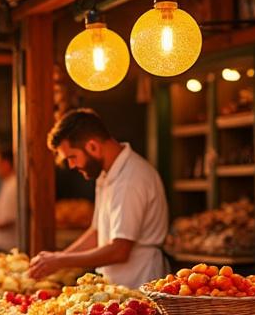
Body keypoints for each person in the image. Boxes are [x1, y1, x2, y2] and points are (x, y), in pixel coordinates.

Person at [28, 109, 169, 289]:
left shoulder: (131, 178)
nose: (71, 166)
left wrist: (60, 260)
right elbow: (97, 233)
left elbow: (119, 250)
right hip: (116, 286)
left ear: (93, 146)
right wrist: (56, 262)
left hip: (140, 282)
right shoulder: (106, 174)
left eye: (72, 157)